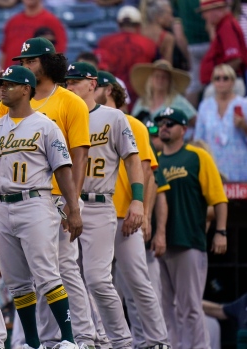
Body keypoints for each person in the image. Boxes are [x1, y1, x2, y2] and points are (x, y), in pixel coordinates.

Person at [0, 38, 95, 349]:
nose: (3, 89)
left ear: (26, 89)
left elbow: (64, 167)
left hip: (38, 201)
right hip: (3, 206)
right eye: (2, 84)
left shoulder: (46, 125)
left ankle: (71, 339)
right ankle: (32, 343)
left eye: (9, 85)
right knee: (17, 282)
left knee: (49, 274)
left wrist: (74, 208)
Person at [64, 62, 144, 349]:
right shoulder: (61, 115)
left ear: (92, 84)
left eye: (76, 80)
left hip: (98, 203)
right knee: (66, 277)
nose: (70, 85)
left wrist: (137, 199)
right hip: (65, 204)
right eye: (67, 81)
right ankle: (87, 338)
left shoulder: (113, 117)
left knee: (98, 280)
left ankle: (121, 341)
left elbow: (133, 160)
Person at [95, 70, 171, 349]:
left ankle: (158, 341)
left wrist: (144, 212)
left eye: (98, 85)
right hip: (93, 212)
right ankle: (103, 340)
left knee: (138, 281)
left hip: (125, 213)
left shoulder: (133, 124)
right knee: (96, 284)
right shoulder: (85, 121)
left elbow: (147, 172)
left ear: (110, 90)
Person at [154, 107, 228, 349]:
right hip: (157, 245)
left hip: (188, 240)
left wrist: (221, 231)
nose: (163, 126)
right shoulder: (154, 160)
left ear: (184, 129)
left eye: (170, 123)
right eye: (160, 123)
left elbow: (219, 199)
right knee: (163, 307)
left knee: (190, 307)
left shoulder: (197, 156)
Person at [194, 63, 247, 181]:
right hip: (214, 167)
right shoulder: (205, 106)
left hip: (240, 168)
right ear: (213, 82)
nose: (221, 82)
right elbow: (199, 140)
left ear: (233, 81)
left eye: (225, 78)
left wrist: (243, 126)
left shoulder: (243, 104)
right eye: (217, 78)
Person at [96, 5, 158, 101]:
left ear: (119, 24)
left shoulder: (104, 42)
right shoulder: (150, 44)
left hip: (112, 94)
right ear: (138, 25)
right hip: (140, 95)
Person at [200, 0, 247, 99]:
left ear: (216, 9)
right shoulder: (222, 26)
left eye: (205, 11)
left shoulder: (227, 26)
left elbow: (235, 59)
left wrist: (220, 80)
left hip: (229, 86)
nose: (203, 16)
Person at [0, 0, 67, 66]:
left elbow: (59, 51)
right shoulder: (13, 21)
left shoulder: (52, 21)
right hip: (10, 73)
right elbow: (4, 52)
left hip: (36, 73)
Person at [130, 59, 196, 124]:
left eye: (164, 77)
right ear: (151, 79)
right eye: (157, 76)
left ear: (170, 81)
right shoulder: (142, 101)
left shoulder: (178, 100)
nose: (160, 79)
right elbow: (132, 123)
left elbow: (196, 121)